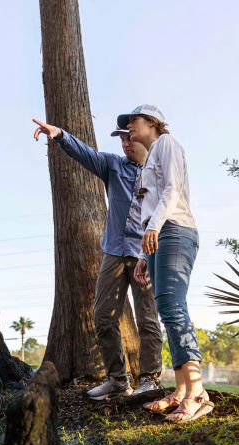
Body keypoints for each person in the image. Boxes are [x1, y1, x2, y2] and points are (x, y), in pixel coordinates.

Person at [32, 118, 163, 400]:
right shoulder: (113, 165)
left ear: (144, 139)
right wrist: (60, 135)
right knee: (103, 317)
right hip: (114, 252)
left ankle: (150, 379)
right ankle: (117, 380)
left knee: (148, 319)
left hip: (145, 253)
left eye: (130, 138)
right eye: (122, 140)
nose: (125, 143)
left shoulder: (158, 173)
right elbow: (85, 153)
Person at [122, 105, 212, 423]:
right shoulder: (149, 160)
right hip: (159, 235)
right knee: (166, 311)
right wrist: (145, 256)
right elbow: (151, 205)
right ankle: (180, 390)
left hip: (174, 229)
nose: (129, 127)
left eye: (133, 120)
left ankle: (198, 393)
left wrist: (155, 228)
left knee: (174, 308)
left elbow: (172, 190)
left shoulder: (167, 144)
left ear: (152, 122)